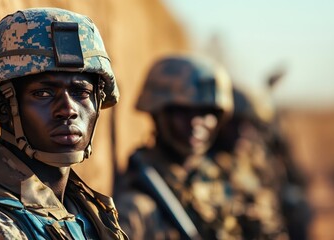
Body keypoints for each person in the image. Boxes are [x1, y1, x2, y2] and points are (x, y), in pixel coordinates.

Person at [0, 8, 128, 239]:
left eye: (81, 92)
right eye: (43, 93)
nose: (67, 110)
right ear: (4, 109)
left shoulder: (88, 212)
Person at [114, 55, 235, 240]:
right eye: (182, 111)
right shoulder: (135, 206)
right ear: (157, 114)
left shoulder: (216, 181)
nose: (196, 122)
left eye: (206, 112)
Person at [211, 87, 292, 240]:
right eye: (234, 123)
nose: (242, 131)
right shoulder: (206, 164)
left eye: (248, 123)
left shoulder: (256, 159)